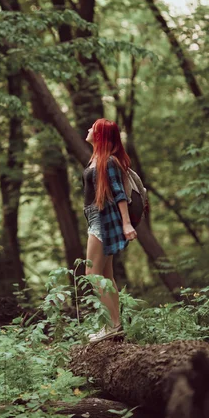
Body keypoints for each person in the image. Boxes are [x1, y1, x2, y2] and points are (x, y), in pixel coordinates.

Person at [82, 118, 137, 343]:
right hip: (97, 217)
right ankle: (115, 325)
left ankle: (111, 326)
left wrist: (126, 223)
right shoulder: (98, 159)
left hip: (103, 220)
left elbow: (119, 194)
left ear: (100, 135)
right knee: (106, 276)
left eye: (92, 128)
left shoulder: (108, 162)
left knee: (91, 275)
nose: (88, 130)